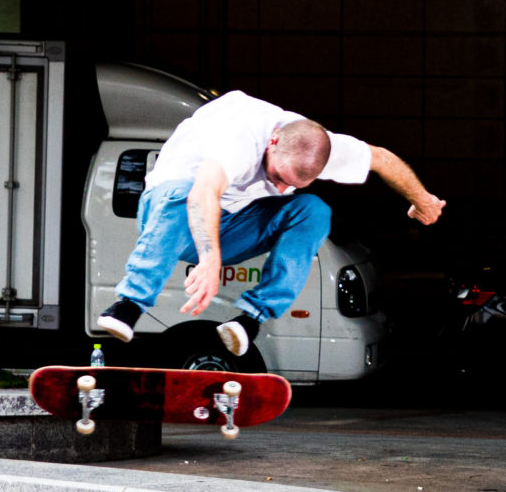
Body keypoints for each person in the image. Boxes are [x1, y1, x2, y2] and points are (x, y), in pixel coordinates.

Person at [92, 90, 446, 358]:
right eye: (276, 176)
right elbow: (203, 192)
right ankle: (128, 305)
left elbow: (382, 159)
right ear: (272, 141)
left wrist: (423, 200)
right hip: (171, 219)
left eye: (289, 183)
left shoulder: (319, 145)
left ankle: (250, 320)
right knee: (181, 190)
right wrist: (209, 257)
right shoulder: (242, 136)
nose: (278, 188)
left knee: (313, 210)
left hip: (232, 227)